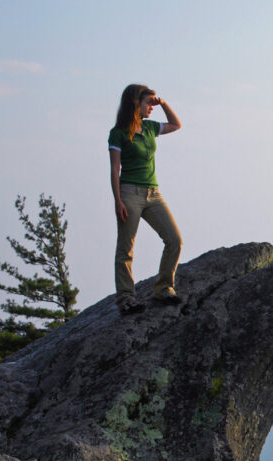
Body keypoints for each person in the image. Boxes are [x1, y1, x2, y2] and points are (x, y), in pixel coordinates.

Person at [108, 84, 183, 314]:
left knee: (174, 239)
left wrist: (163, 103)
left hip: (153, 193)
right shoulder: (118, 132)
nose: (151, 107)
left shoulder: (150, 127)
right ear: (135, 103)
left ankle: (163, 288)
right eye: (148, 102)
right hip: (129, 192)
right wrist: (118, 201)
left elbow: (176, 124)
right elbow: (115, 168)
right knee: (126, 248)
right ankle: (126, 298)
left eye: (152, 103)